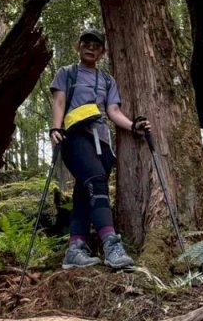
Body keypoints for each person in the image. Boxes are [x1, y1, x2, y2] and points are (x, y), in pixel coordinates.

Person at [49, 28, 150, 270]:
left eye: (96, 45)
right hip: (75, 136)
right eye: (86, 43)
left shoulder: (107, 80)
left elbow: (113, 111)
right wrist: (55, 128)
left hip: (102, 142)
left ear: (102, 51)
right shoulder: (67, 73)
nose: (90, 48)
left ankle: (75, 249)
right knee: (97, 182)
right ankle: (111, 246)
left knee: (85, 193)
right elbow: (60, 101)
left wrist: (133, 127)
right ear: (78, 46)